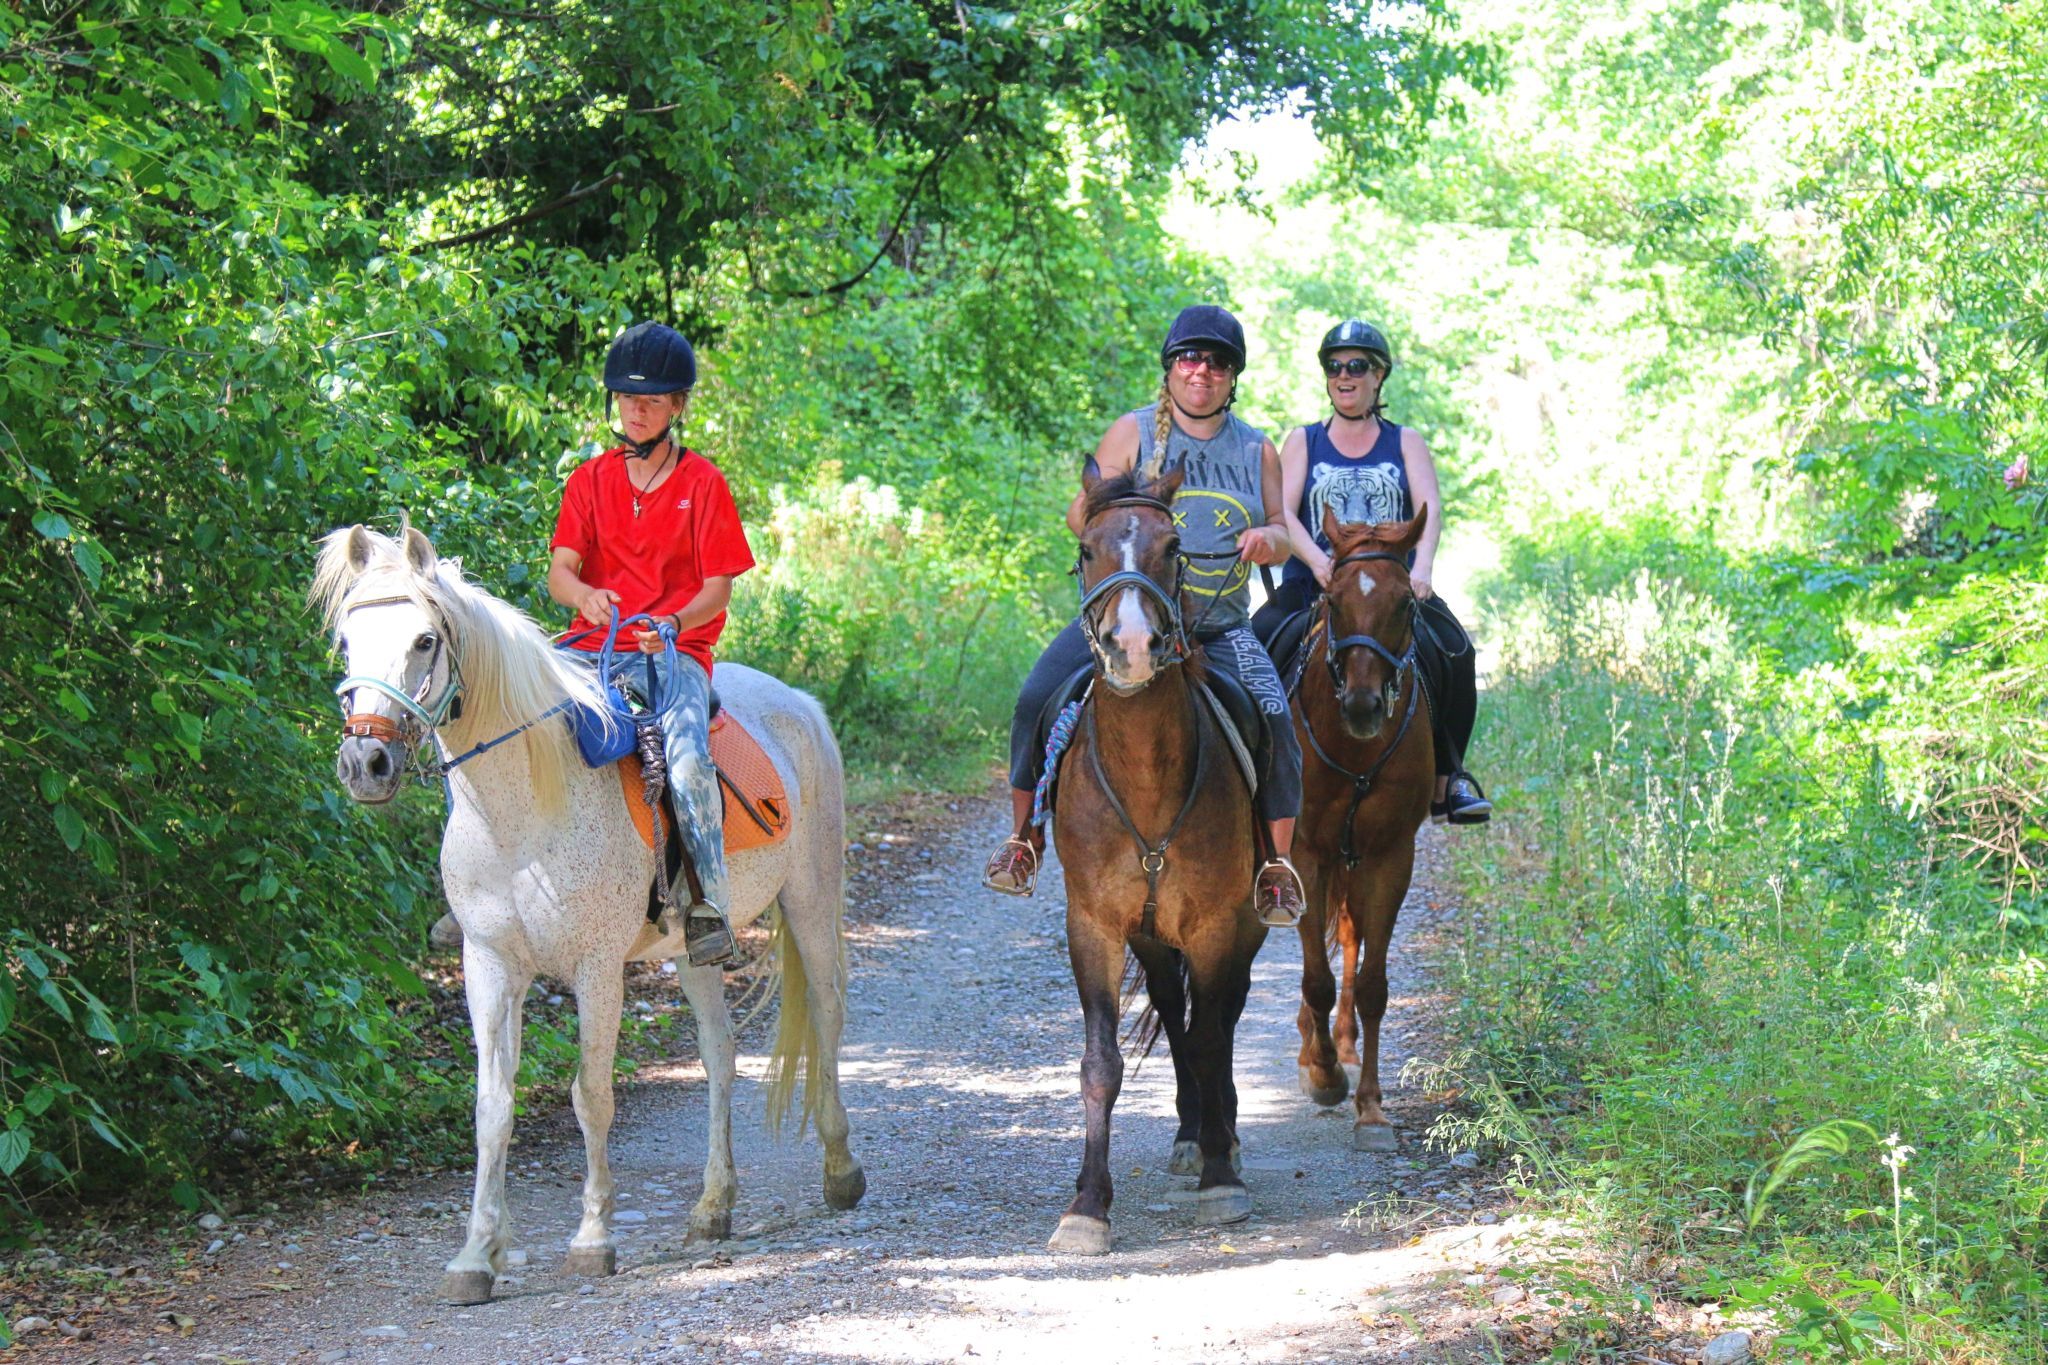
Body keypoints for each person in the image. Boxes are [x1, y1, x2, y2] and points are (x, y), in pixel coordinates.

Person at [982, 304, 1307, 927]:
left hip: (1220, 622)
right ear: (1169, 369)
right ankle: (1024, 840)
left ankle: (1274, 867)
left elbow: (1283, 530)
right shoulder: (1131, 433)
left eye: (1217, 362)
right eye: (1190, 358)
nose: (1202, 371)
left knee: (1274, 717)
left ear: (1232, 376)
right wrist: (1122, 522)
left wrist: (1270, 540)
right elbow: (1081, 516)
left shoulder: (1257, 448)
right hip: (1127, 615)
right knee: (1036, 698)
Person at [548, 321, 758, 965]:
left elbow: (718, 590)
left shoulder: (704, 485)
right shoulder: (588, 481)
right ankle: (476, 888)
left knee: (690, 760)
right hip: (591, 645)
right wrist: (584, 596)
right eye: (627, 399)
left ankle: (711, 906)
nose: (636, 411)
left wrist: (671, 625)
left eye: (652, 401)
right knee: (504, 720)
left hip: (673, 653)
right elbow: (560, 573)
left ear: (677, 407)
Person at [1251, 319, 1490, 824]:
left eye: (1357, 366)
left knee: (1455, 648)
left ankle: (1450, 779)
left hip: (1388, 587)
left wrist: (1421, 569)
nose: (1345, 375)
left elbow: (1429, 508)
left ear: (1378, 376)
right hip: (1313, 583)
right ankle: (1253, 775)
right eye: (1334, 366)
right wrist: (1319, 564)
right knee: (1258, 644)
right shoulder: (1304, 440)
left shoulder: (1406, 442)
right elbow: (1285, 513)